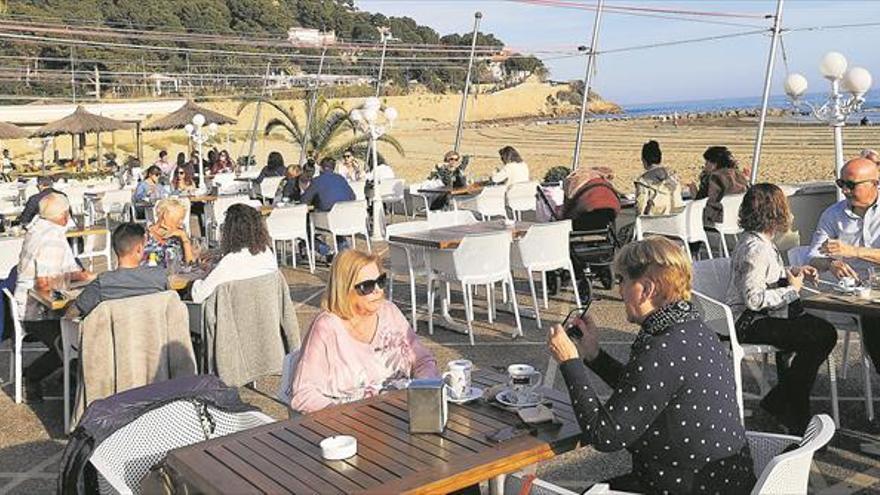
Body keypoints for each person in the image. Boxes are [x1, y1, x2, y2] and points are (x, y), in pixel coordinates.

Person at [548, 236, 755, 493]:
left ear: (646, 289)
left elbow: (604, 435)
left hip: (689, 486)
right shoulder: (694, 329)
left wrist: (570, 363)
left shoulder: (662, 347)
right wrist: (594, 355)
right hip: (724, 481)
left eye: (622, 280)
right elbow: (646, 389)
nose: (619, 290)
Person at [729, 183, 836, 435]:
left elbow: (765, 278)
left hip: (764, 317)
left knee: (819, 334)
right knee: (820, 335)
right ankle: (788, 407)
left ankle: (784, 403)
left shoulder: (757, 241)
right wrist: (793, 289)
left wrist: (792, 273)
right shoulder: (756, 249)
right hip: (749, 321)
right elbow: (753, 299)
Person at [290, 249, 438, 414]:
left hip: (401, 415)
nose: (377, 290)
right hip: (349, 425)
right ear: (344, 289)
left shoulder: (389, 312)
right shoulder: (327, 327)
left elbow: (423, 360)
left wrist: (425, 391)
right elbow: (303, 393)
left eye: (380, 281)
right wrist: (342, 414)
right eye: (366, 286)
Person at [15, 193, 94, 401]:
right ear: (64, 214)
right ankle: (35, 376)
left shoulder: (38, 229)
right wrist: (75, 279)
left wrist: (81, 275)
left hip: (24, 304)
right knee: (75, 338)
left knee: (77, 331)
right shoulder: (51, 238)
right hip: (36, 312)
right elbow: (44, 283)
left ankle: (67, 374)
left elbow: (60, 271)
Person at [808, 157, 880, 376]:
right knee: (873, 319)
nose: (845, 191)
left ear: (875, 183)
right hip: (858, 296)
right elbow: (813, 255)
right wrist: (830, 264)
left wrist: (854, 251)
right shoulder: (833, 214)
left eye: (851, 185)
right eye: (841, 184)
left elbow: (852, 251)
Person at [74, 223, 168, 318]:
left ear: (115, 249)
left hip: (117, 332)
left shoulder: (103, 283)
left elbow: (72, 314)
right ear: (139, 249)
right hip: (154, 331)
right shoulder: (159, 277)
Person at [191, 204, 278, 304]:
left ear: (230, 231)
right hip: (266, 312)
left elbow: (198, 296)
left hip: (234, 314)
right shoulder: (267, 253)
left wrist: (203, 277)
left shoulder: (230, 262)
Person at [692, 146, 749, 224]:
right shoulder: (738, 174)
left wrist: (694, 190)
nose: (705, 166)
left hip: (717, 219)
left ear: (714, 164)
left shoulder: (715, 178)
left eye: (707, 162)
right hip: (737, 219)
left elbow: (701, 202)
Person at [561, 166, 621, 231]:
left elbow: (568, 207)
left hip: (587, 209)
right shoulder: (602, 181)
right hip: (610, 208)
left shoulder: (576, 180)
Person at [634, 140, 683, 216]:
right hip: (675, 220)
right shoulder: (673, 176)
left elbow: (640, 209)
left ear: (644, 160)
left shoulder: (643, 181)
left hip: (653, 222)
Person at [144, 198, 193, 268]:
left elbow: (191, 264)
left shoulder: (179, 236)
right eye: (180, 218)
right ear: (165, 216)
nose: (181, 222)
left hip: (176, 276)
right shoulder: (145, 235)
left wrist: (185, 239)